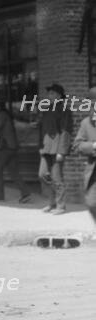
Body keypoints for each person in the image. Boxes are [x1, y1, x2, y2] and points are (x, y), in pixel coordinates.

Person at [0, 99, 31, 204]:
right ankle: (25, 193)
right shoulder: (5, 115)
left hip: (5, 147)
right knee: (13, 171)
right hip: (11, 147)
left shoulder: (2, 115)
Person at [38, 83, 73, 215]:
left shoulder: (64, 109)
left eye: (52, 93)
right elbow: (43, 129)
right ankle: (52, 202)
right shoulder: (47, 109)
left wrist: (62, 151)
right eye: (49, 93)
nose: (49, 96)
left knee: (56, 177)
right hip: (46, 148)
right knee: (42, 175)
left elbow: (66, 132)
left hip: (57, 149)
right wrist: (40, 147)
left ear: (59, 96)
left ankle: (60, 205)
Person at [73, 87, 96, 223]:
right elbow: (77, 145)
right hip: (94, 170)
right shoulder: (86, 123)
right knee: (91, 202)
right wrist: (93, 146)